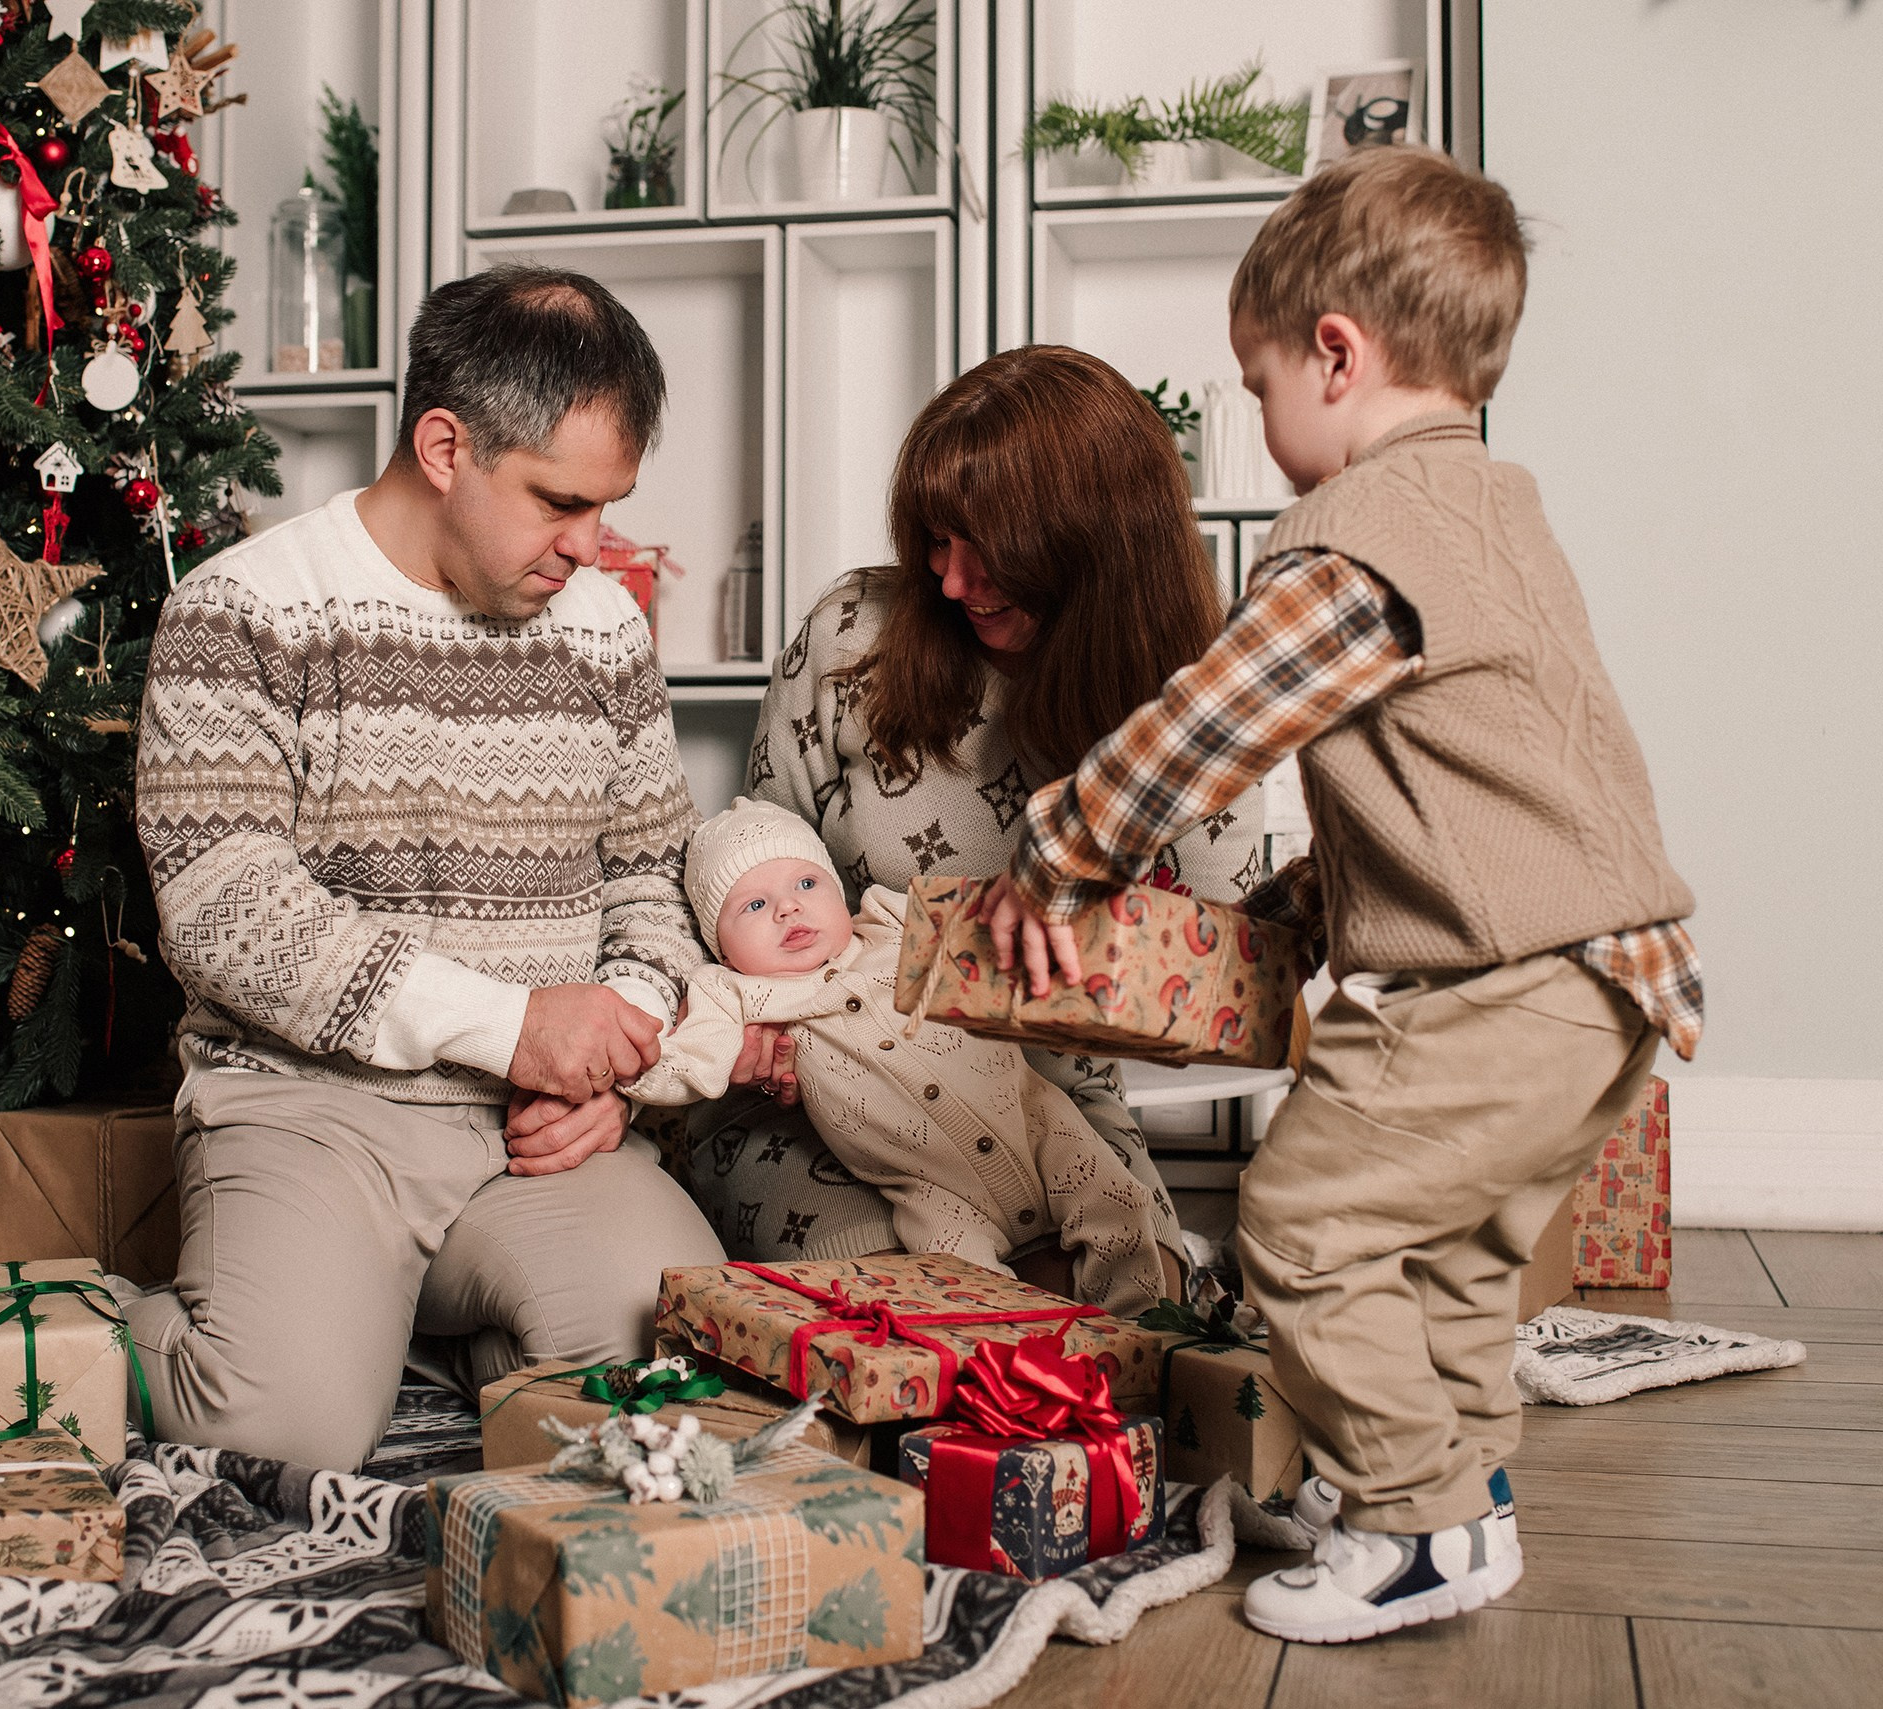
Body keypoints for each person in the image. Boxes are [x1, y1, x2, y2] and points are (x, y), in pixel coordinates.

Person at [975, 147, 1701, 1642]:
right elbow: (1470, 796)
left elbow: (1201, 728)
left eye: (1257, 390)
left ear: (1337, 355)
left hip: (1494, 993)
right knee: (1444, 1251)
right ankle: (1463, 1496)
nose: (1260, 426)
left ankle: (1415, 1526)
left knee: (1304, 1225)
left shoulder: (1350, 541)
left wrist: (1062, 851)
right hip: (1610, 980)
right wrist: (1306, 909)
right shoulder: (1500, 513)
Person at [128, 265, 725, 1473]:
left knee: (671, 1395)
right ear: (443, 445)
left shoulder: (605, 626)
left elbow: (654, 881)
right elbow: (223, 911)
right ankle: (109, 1323)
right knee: (277, 1433)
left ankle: (417, 1330)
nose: (589, 545)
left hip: (534, 1132)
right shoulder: (242, 609)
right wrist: (514, 1028)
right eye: (559, 500)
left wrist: (615, 1040)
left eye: (608, 504)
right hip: (313, 1113)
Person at [691, 346, 1264, 1282]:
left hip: (1054, 1104)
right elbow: (739, 864)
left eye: (987, 546)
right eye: (936, 538)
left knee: (1136, 1316)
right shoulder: (851, 635)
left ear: (1095, 542)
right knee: (919, 1306)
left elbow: (1210, 990)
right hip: (816, 1092)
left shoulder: (1194, 705)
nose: (951, 580)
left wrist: (959, 958)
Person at [622, 800, 1169, 1317]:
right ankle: (1009, 1372)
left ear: (839, 895)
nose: (789, 907)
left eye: (807, 884)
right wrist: (628, 1067)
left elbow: (996, 931)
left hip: (1036, 1122)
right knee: (953, 1284)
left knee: (1118, 1202)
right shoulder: (737, 997)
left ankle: (1133, 1339)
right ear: (722, 948)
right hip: (927, 1186)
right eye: (755, 905)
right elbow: (688, 1061)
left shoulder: (892, 925)